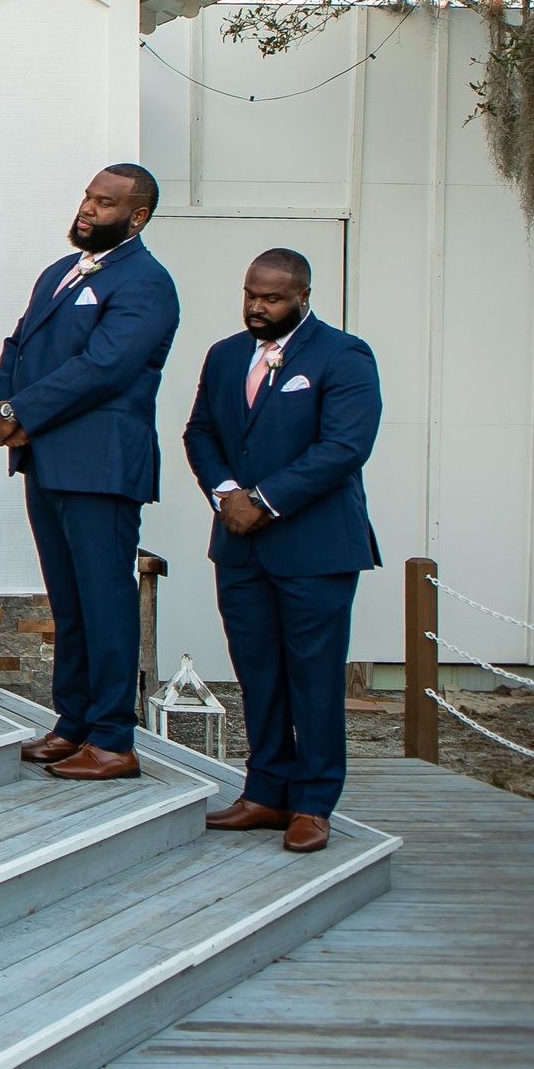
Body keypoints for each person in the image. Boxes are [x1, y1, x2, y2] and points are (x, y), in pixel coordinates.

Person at [182, 249, 381, 854]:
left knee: (314, 679)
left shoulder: (343, 355)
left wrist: (263, 500)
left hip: (314, 550)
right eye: (250, 295)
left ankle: (313, 803)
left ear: (303, 294)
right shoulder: (223, 355)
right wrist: (225, 494)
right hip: (240, 550)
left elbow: (344, 446)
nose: (257, 307)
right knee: (259, 675)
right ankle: (265, 792)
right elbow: (201, 432)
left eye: (271, 298)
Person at [0, 165, 181, 780]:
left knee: (105, 601)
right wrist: (2, 405)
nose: (89, 210)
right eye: (88, 198)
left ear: (138, 216)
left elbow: (105, 366)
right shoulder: (60, 272)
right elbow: (16, 344)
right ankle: (71, 724)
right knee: (69, 602)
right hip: (46, 456)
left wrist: (22, 410)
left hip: (100, 464)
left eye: (105, 203)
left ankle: (113, 739)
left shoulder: (147, 282)